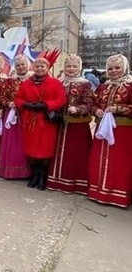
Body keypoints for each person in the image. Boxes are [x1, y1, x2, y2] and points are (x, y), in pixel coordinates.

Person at [15, 57, 66, 190]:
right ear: (33, 68)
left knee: (45, 149)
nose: (39, 69)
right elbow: (18, 98)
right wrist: (25, 104)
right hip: (30, 120)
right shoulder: (26, 83)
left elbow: (61, 100)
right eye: (37, 66)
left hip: (46, 121)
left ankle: (42, 177)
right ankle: (34, 175)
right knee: (31, 149)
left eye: (42, 66)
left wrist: (46, 105)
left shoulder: (55, 83)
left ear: (47, 68)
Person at [87, 54, 132, 207]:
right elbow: (93, 103)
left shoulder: (130, 85)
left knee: (120, 162)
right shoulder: (103, 86)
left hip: (122, 130)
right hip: (101, 129)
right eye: (110, 68)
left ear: (124, 68)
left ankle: (118, 194)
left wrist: (118, 108)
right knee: (99, 159)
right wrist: (96, 110)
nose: (113, 71)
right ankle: (97, 191)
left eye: (117, 68)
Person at [47, 54, 93, 194]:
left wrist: (78, 109)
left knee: (75, 153)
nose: (71, 69)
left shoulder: (85, 83)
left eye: (74, 66)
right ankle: (56, 180)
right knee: (56, 150)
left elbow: (89, 103)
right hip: (59, 123)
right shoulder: (58, 82)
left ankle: (75, 183)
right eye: (68, 66)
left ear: (79, 67)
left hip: (77, 125)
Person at [0, 54, 32, 179]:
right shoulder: (9, 81)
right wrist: (9, 103)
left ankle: (29, 171)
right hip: (12, 115)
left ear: (28, 65)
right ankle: (11, 170)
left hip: (29, 115)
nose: (21, 67)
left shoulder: (34, 79)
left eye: (23, 64)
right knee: (13, 143)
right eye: (18, 65)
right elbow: (1, 97)